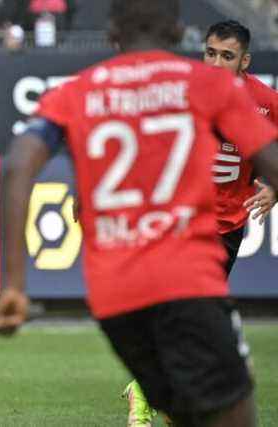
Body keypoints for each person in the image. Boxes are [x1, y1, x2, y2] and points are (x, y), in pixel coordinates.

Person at [0, 1, 278, 426]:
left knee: (181, 410)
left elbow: (17, 165)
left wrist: (13, 284)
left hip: (114, 295)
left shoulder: (76, 91)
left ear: (110, 36)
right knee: (232, 409)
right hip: (188, 276)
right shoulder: (212, 87)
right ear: (181, 34)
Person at [120, 19, 278, 427]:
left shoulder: (264, 101)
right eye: (210, 52)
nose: (216, 61)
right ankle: (152, 393)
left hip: (226, 228)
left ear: (244, 60)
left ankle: (156, 390)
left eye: (227, 56)